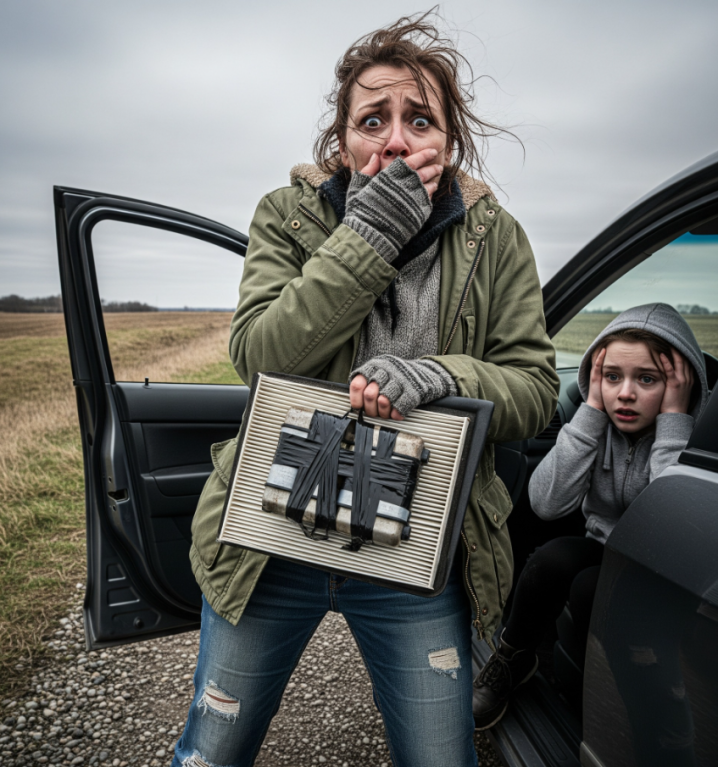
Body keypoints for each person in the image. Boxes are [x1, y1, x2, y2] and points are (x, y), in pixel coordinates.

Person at [173, 13, 559, 767]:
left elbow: (535, 388)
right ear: (342, 141)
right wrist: (367, 238)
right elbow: (260, 353)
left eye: (420, 119)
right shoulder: (287, 215)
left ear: (447, 141)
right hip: (273, 537)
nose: (394, 138)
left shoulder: (496, 236)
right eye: (371, 119)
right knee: (212, 751)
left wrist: (443, 374)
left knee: (441, 756)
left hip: (417, 548)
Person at [471, 302, 709, 731]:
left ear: (680, 386)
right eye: (612, 377)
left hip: (664, 571)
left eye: (648, 379)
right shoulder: (597, 422)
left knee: (587, 587)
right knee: (552, 558)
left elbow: (671, 533)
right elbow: (545, 503)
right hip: (607, 547)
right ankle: (513, 657)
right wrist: (591, 412)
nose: (626, 394)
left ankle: (607, 708)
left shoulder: (691, 440)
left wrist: (674, 421)